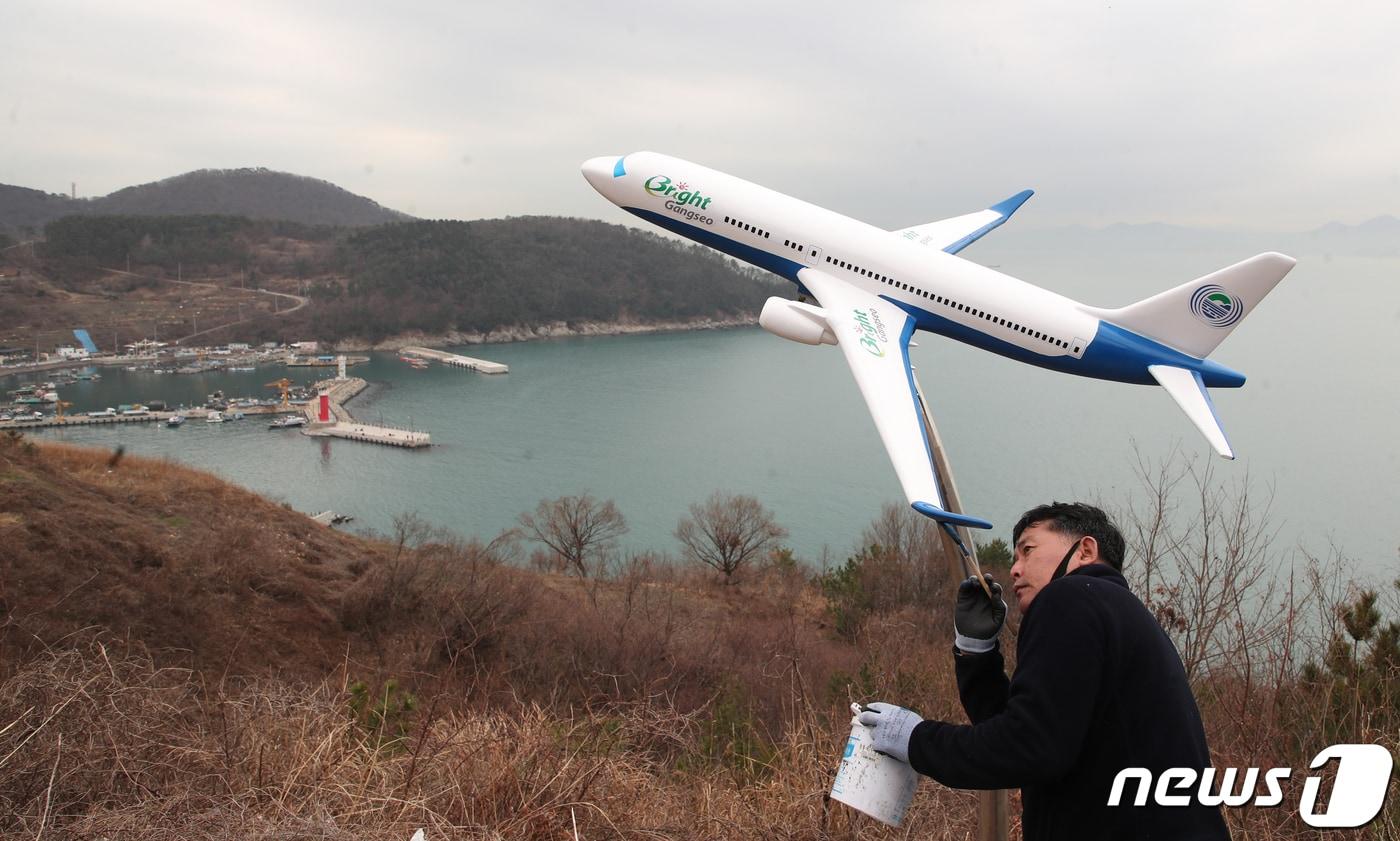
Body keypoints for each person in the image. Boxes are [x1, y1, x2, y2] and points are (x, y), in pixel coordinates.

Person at [858, 502, 1229, 840]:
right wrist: (977, 654)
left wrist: (914, 738)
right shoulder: (1119, 613)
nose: (1015, 568)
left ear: (1085, 550)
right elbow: (1033, 734)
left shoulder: (1071, 597)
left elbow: (1026, 747)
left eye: (1028, 549)